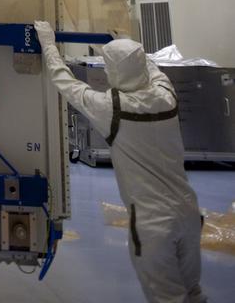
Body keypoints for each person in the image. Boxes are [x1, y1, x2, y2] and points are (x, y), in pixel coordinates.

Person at [34, 21, 206, 303]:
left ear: (114, 72)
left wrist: (48, 44)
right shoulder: (167, 95)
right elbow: (150, 67)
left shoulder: (111, 109)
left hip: (153, 225)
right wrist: (125, 42)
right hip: (189, 214)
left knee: (168, 298)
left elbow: (65, 82)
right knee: (193, 292)